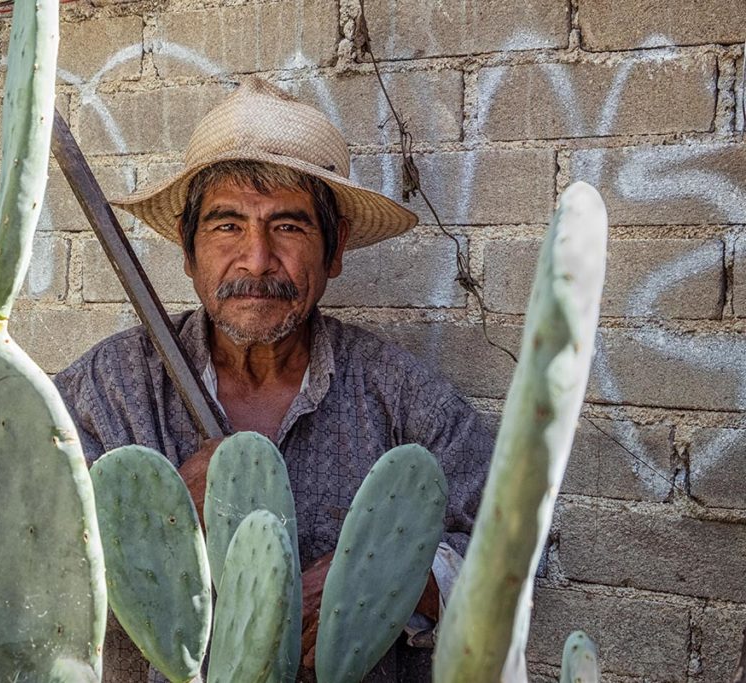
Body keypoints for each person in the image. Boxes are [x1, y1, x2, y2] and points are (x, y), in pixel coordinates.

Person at [55, 77, 493, 682]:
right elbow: (27, 561)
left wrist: (382, 578)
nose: (257, 259)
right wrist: (160, 523)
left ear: (333, 251)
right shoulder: (108, 389)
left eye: (287, 226)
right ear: (188, 252)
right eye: (226, 226)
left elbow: (509, 552)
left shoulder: (402, 397)